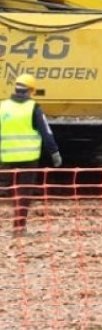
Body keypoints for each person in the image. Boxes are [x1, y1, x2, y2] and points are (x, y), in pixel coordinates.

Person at [0, 74, 62, 234]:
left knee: (13, 191)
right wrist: (55, 153)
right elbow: (46, 133)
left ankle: (16, 225)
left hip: (7, 158)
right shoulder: (34, 108)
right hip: (28, 159)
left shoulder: (3, 106)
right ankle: (19, 227)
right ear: (30, 90)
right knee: (24, 192)